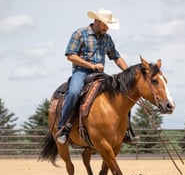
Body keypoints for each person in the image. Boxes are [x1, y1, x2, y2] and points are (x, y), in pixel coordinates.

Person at [56, 8, 134, 144]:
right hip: (81, 72)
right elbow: (70, 55)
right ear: (96, 21)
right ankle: (63, 127)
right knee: (74, 92)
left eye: (108, 26)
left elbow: (116, 57)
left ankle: (126, 130)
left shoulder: (107, 38)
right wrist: (91, 66)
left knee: (123, 92)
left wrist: (128, 72)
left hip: (99, 74)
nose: (107, 29)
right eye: (105, 25)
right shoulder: (80, 33)